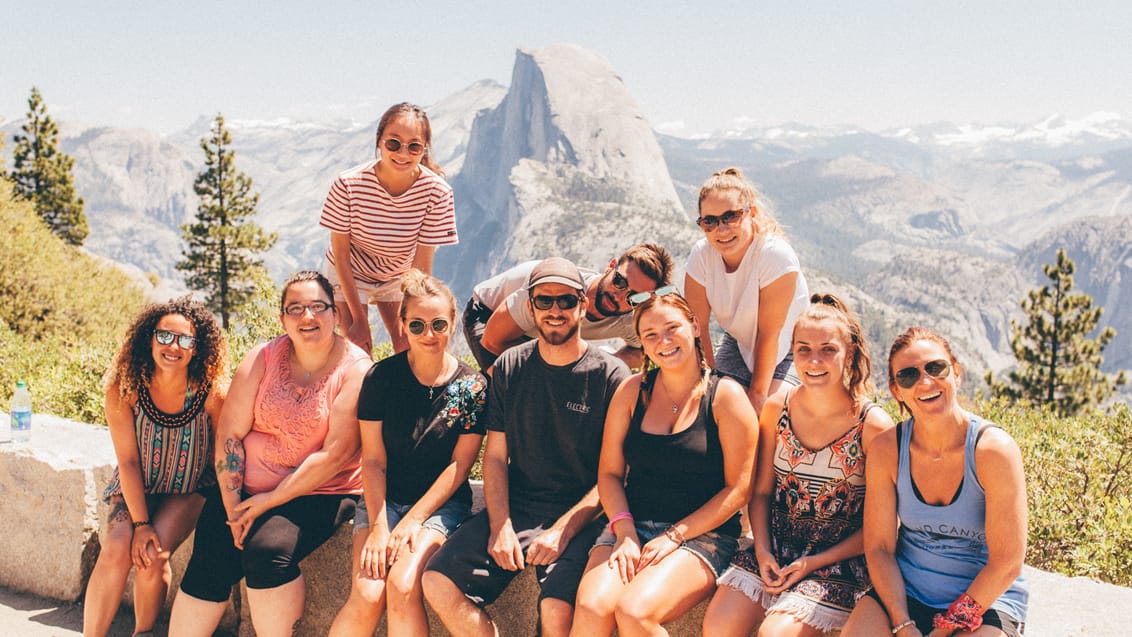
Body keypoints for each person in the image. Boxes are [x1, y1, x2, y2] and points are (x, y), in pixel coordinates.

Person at [422, 257, 631, 637]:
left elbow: (614, 476)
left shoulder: (611, 376)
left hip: (583, 515)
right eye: (544, 301)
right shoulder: (508, 367)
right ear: (530, 307)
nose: (555, 311)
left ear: (583, 305)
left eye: (566, 301)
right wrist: (500, 525)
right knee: (436, 582)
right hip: (519, 507)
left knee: (556, 612)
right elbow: (496, 457)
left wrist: (562, 531)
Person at [169, 271, 371, 637]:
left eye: (317, 307)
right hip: (244, 486)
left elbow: (335, 456)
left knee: (267, 552)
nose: (307, 317)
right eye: (295, 309)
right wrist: (233, 506)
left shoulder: (355, 371)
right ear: (282, 319)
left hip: (318, 490)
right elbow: (230, 433)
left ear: (335, 314)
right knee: (211, 554)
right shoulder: (263, 356)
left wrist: (266, 502)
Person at [704, 293, 894, 637]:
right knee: (718, 626)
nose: (814, 360)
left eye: (828, 349)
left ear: (849, 353)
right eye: (803, 349)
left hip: (838, 563)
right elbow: (760, 492)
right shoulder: (778, 407)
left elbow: (881, 527)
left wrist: (812, 563)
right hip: (776, 548)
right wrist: (762, 550)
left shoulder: (873, 426)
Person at [571, 288, 758, 636]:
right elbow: (609, 475)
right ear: (641, 343)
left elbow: (740, 488)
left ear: (695, 326)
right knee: (591, 607)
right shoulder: (631, 392)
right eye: (651, 335)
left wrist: (675, 536)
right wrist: (625, 532)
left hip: (702, 536)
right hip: (631, 527)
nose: (664, 341)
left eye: (673, 328)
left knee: (634, 612)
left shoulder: (726, 397)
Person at [328, 270, 487, 637]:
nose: (428, 335)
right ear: (401, 324)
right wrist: (381, 527)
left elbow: (459, 466)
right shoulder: (381, 378)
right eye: (417, 325)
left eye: (438, 324)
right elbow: (373, 460)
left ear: (451, 324)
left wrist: (414, 520)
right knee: (368, 593)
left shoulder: (472, 387)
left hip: (440, 506)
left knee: (401, 583)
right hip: (384, 499)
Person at [841, 327, 1029, 637]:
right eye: (908, 376)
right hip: (908, 592)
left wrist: (943, 631)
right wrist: (902, 624)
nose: (925, 382)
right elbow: (880, 548)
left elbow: (1006, 562)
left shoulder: (993, 451)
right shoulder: (888, 449)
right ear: (896, 390)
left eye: (935, 367)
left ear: (956, 373)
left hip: (985, 599)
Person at [83, 297, 228, 637]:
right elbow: (129, 461)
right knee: (119, 546)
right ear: (149, 338)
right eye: (164, 336)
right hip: (138, 484)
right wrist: (141, 522)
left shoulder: (212, 393)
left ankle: (143, 633)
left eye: (185, 340)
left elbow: (222, 451)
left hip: (189, 488)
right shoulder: (126, 388)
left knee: (153, 553)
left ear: (197, 347)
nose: (173, 347)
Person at [320, 102, 457, 354]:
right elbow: (340, 255)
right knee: (356, 349)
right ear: (379, 141)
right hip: (350, 272)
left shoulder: (437, 193)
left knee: (409, 348)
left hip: (399, 276)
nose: (403, 154)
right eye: (393, 143)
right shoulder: (347, 185)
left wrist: (415, 318)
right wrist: (360, 322)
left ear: (423, 149)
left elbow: (422, 268)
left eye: (414, 146)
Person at [684, 167, 810, 415]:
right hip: (740, 342)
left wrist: (757, 395)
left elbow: (769, 334)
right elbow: (697, 329)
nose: (721, 229)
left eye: (731, 216)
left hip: (790, 348)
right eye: (709, 221)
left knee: (767, 417)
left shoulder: (774, 255)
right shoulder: (701, 257)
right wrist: (708, 383)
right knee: (714, 410)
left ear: (751, 213)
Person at [463, 243, 673, 371]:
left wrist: (609, 361)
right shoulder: (558, 290)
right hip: (488, 315)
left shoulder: (630, 318)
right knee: (515, 386)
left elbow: (641, 352)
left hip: (536, 333)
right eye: (619, 281)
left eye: (633, 297)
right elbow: (492, 341)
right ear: (610, 266)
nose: (619, 296)